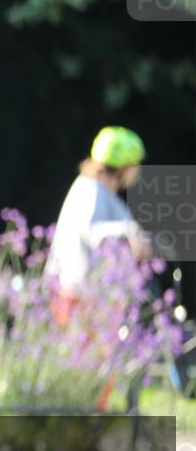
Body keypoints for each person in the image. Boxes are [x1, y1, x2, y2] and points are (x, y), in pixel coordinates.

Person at [46, 125, 149, 324]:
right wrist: (130, 233)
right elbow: (92, 231)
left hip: (92, 301)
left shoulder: (101, 192)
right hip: (79, 302)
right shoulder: (90, 189)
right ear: (123, 167)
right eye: (136, 165)